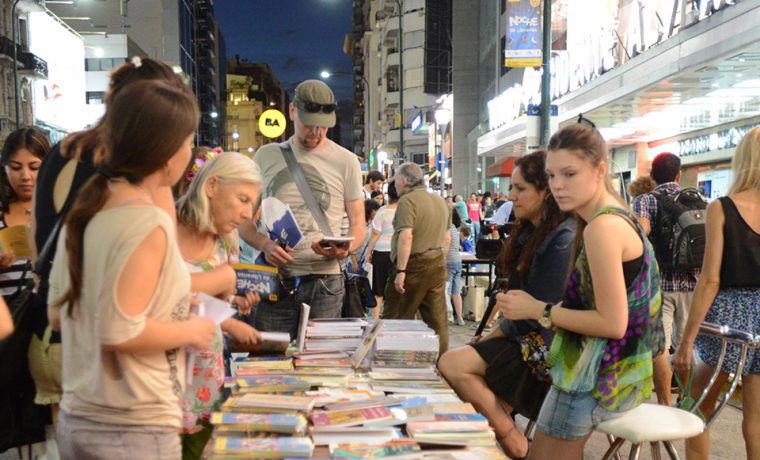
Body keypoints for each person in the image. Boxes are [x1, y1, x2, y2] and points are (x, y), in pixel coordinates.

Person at [48, 79, 215, 460]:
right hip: (133, 427)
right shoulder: (146, 222)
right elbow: (119, 329)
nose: (191, 151)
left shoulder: (85, 212)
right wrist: (192, 328)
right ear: (167, 150)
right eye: (189, 141)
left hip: (79, 418)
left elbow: (58, 315)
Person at [31, 58, 188, 424]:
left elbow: (39, 239)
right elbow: (164, 275)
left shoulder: (63, 149)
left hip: (50, 335)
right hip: (110, 360)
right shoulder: (143, 170)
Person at [498, 122, 663, 459]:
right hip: (614, 377)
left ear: (599, 170)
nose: (558, 185)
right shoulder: (611, 217)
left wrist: (538, 310)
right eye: (551, 176)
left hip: (590, 379)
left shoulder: (602, 227)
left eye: (569, 174)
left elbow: (612, 323)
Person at [438, 150, 575, 458]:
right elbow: (516, 307)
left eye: (520, 188)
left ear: (546, 190)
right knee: (469, 386)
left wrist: (489, 337)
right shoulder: (533, 232)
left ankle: (512, 438)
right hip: (528, 339)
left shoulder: (563, 237)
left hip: (550, 350)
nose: (511, 196)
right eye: (512, 188)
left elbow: (536, 314)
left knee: (452, 364)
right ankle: (505, 435)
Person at [239, 79, 364, 338]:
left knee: (321, 365)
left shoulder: (347, 161)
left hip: (326, 282)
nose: (316, 132)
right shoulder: (266, 155)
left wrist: (344, 248)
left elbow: (358, 224)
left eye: (323, 126)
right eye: (309, 124)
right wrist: (266, 245)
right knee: (271, 364)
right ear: (293, 111)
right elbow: (242, 220)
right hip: (275, 281)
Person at [672, 127, 760, 460]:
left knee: (696, 409)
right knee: (756, 419)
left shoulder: (722, 208)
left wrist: (686, 339)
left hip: (729, 318)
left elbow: (710, 279)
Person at [175, 152, 264, 459]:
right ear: (212, 186)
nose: (246, 213)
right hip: (158, 379)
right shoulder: (161, 228)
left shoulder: (227, 239)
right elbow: (153, 295)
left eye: (251, 204)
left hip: (205, 374)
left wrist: (233, 311)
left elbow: (213, 304)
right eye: (242, 199)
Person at [632, 152, 700, 406]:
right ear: (679, 175)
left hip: (660, 284)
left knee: (660, 345)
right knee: (687, 344)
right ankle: (687, 396)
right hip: (693, 282)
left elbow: (642, 230)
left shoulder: (645, 199)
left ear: (652, 175)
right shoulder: (696, 199)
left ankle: (665, 403)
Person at [0, 126, 51, 454]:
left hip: (44, 333)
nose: (25, 177)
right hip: (6, 333)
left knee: (40, 423)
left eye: (34, 167)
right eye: (16, 168)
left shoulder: (56, 213)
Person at [382, 162, 450, 354]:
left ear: (404, 180)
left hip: (413, 265)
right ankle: (441, 362)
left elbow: (406, 235)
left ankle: (389, 361)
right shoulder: (440, 200)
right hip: (437, 263)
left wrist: (401, 271)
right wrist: (438, 259)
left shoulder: (407, 201)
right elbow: (447, 237)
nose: (394, 185)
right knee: (437, 321)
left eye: (395, 180)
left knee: (395, 318)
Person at [366, 180, 399, 317]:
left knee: (378, 290)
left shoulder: (382, 211)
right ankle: (396, 320)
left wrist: (369, 251)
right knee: (397, 289)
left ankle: (375, 320)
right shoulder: (406, 210)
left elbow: (375, 233)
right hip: (398, 253)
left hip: (381, 253)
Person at [445, 209, 465, 326]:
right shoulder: (455, 228)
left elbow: (446, 243)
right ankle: (460, 318)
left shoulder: (447, 228)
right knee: (456, 292)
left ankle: (449, 316)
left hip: (449, 262)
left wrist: (442, 258)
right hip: (458, 261)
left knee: (446, 291)